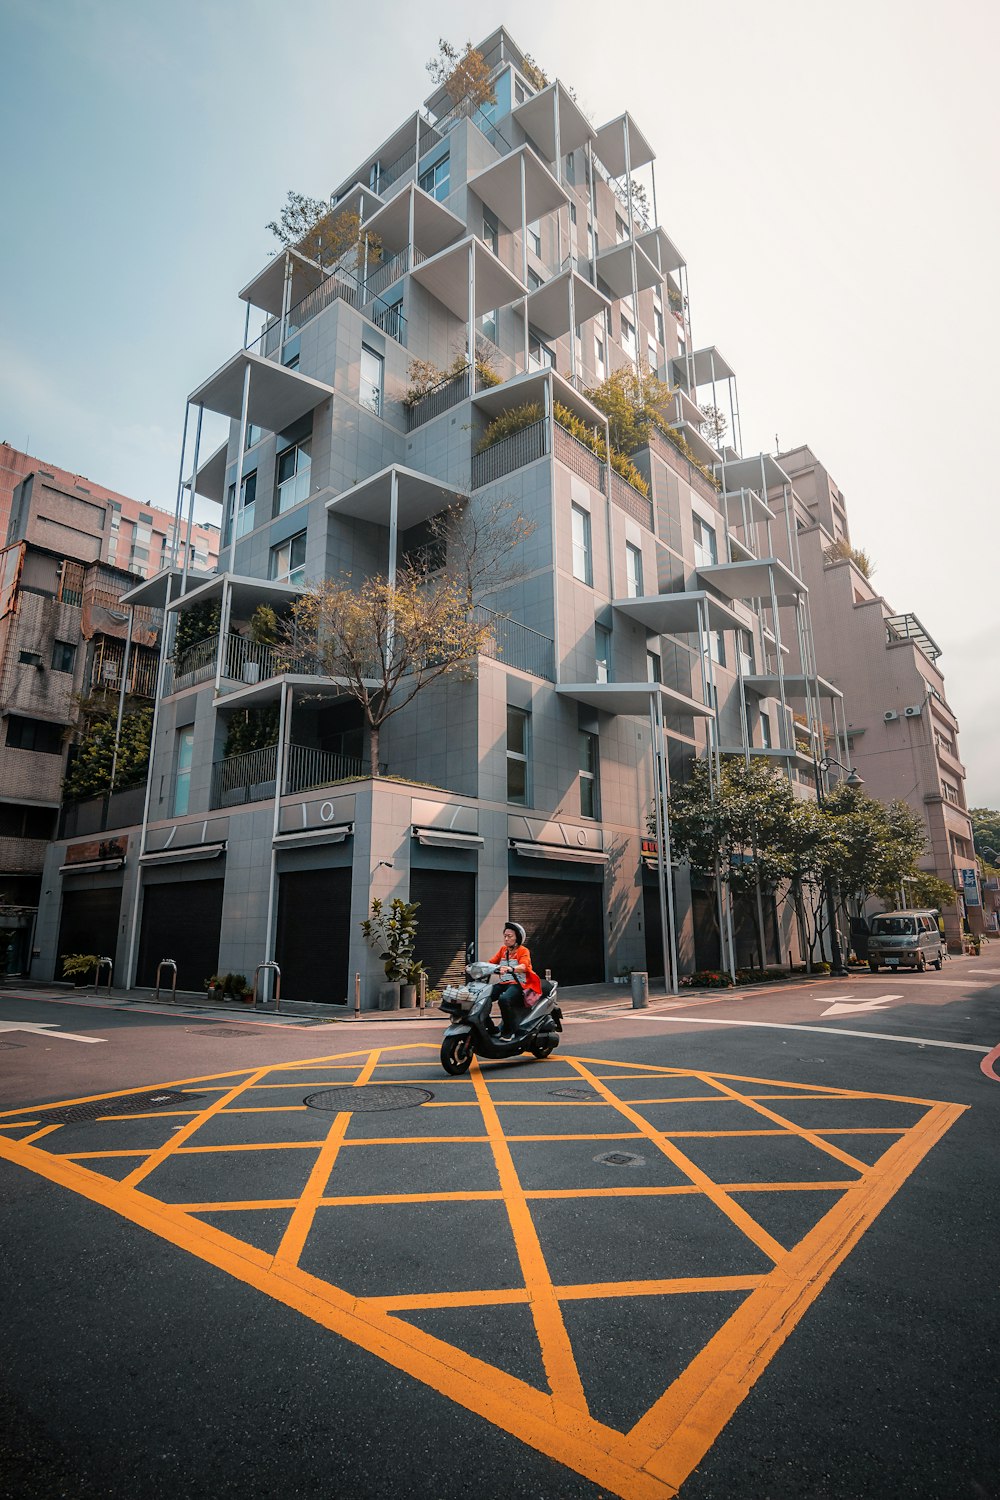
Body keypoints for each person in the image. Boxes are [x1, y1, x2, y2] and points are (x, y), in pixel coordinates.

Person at [487, 921, 542, 1039]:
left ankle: (509, 1031)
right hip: (503, 983)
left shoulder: (523, 951)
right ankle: (491, 1029)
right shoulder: (503, 950)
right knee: (482, 997)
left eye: (509, 936)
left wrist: (511, 968)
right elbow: (490, 963)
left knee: (504, 999)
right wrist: (477, 967)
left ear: (518, 938)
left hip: (518, 984)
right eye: (505, 936)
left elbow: (524, 966)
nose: (506, 939)